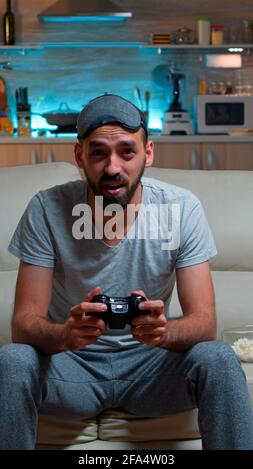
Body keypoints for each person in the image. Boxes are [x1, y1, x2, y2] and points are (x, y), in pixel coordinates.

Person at [0, 94, 252, 450]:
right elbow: (23, 323)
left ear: (148, 153)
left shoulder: (181, 208)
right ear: (79, 156)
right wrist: (65, 334)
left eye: (126, 152)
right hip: (72, 369)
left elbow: (204, 323)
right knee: (13, 359)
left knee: (218, 357)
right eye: (99, 152)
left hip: (152, 371)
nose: (113, 167)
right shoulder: (46, 209)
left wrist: (163, 331)